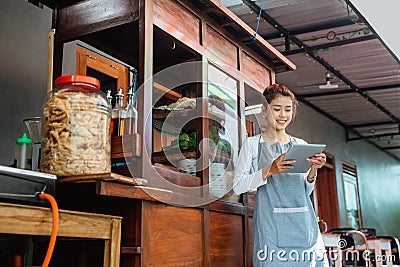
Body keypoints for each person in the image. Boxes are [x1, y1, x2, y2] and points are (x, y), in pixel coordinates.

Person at [233, 84, 328, 266]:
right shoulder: (252, 145)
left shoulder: (300, 144)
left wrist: (314, 169)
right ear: (264, 110)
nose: (283, 115)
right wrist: (270, 170)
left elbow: (305, 189)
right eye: (277, 109)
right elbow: (238, 186)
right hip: (270, 224)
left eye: (288, 110)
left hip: (303, 223)